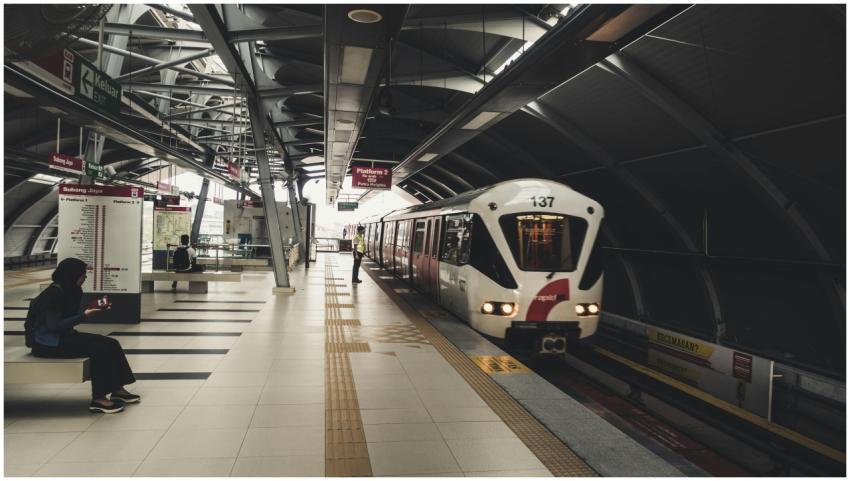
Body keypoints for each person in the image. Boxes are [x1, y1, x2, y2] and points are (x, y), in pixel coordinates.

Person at [25, 258, 139, 413]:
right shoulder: (53, 294)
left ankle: (117, 388)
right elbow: (54, 325)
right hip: (47, 344)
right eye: (82, 274)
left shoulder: (71, 290)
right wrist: (85, 315)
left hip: (63, 337)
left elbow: (68, 316)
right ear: (72, 275)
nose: (84, 277)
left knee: (111, 343)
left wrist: (93, 307)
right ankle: (98, 398)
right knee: (100, 350)